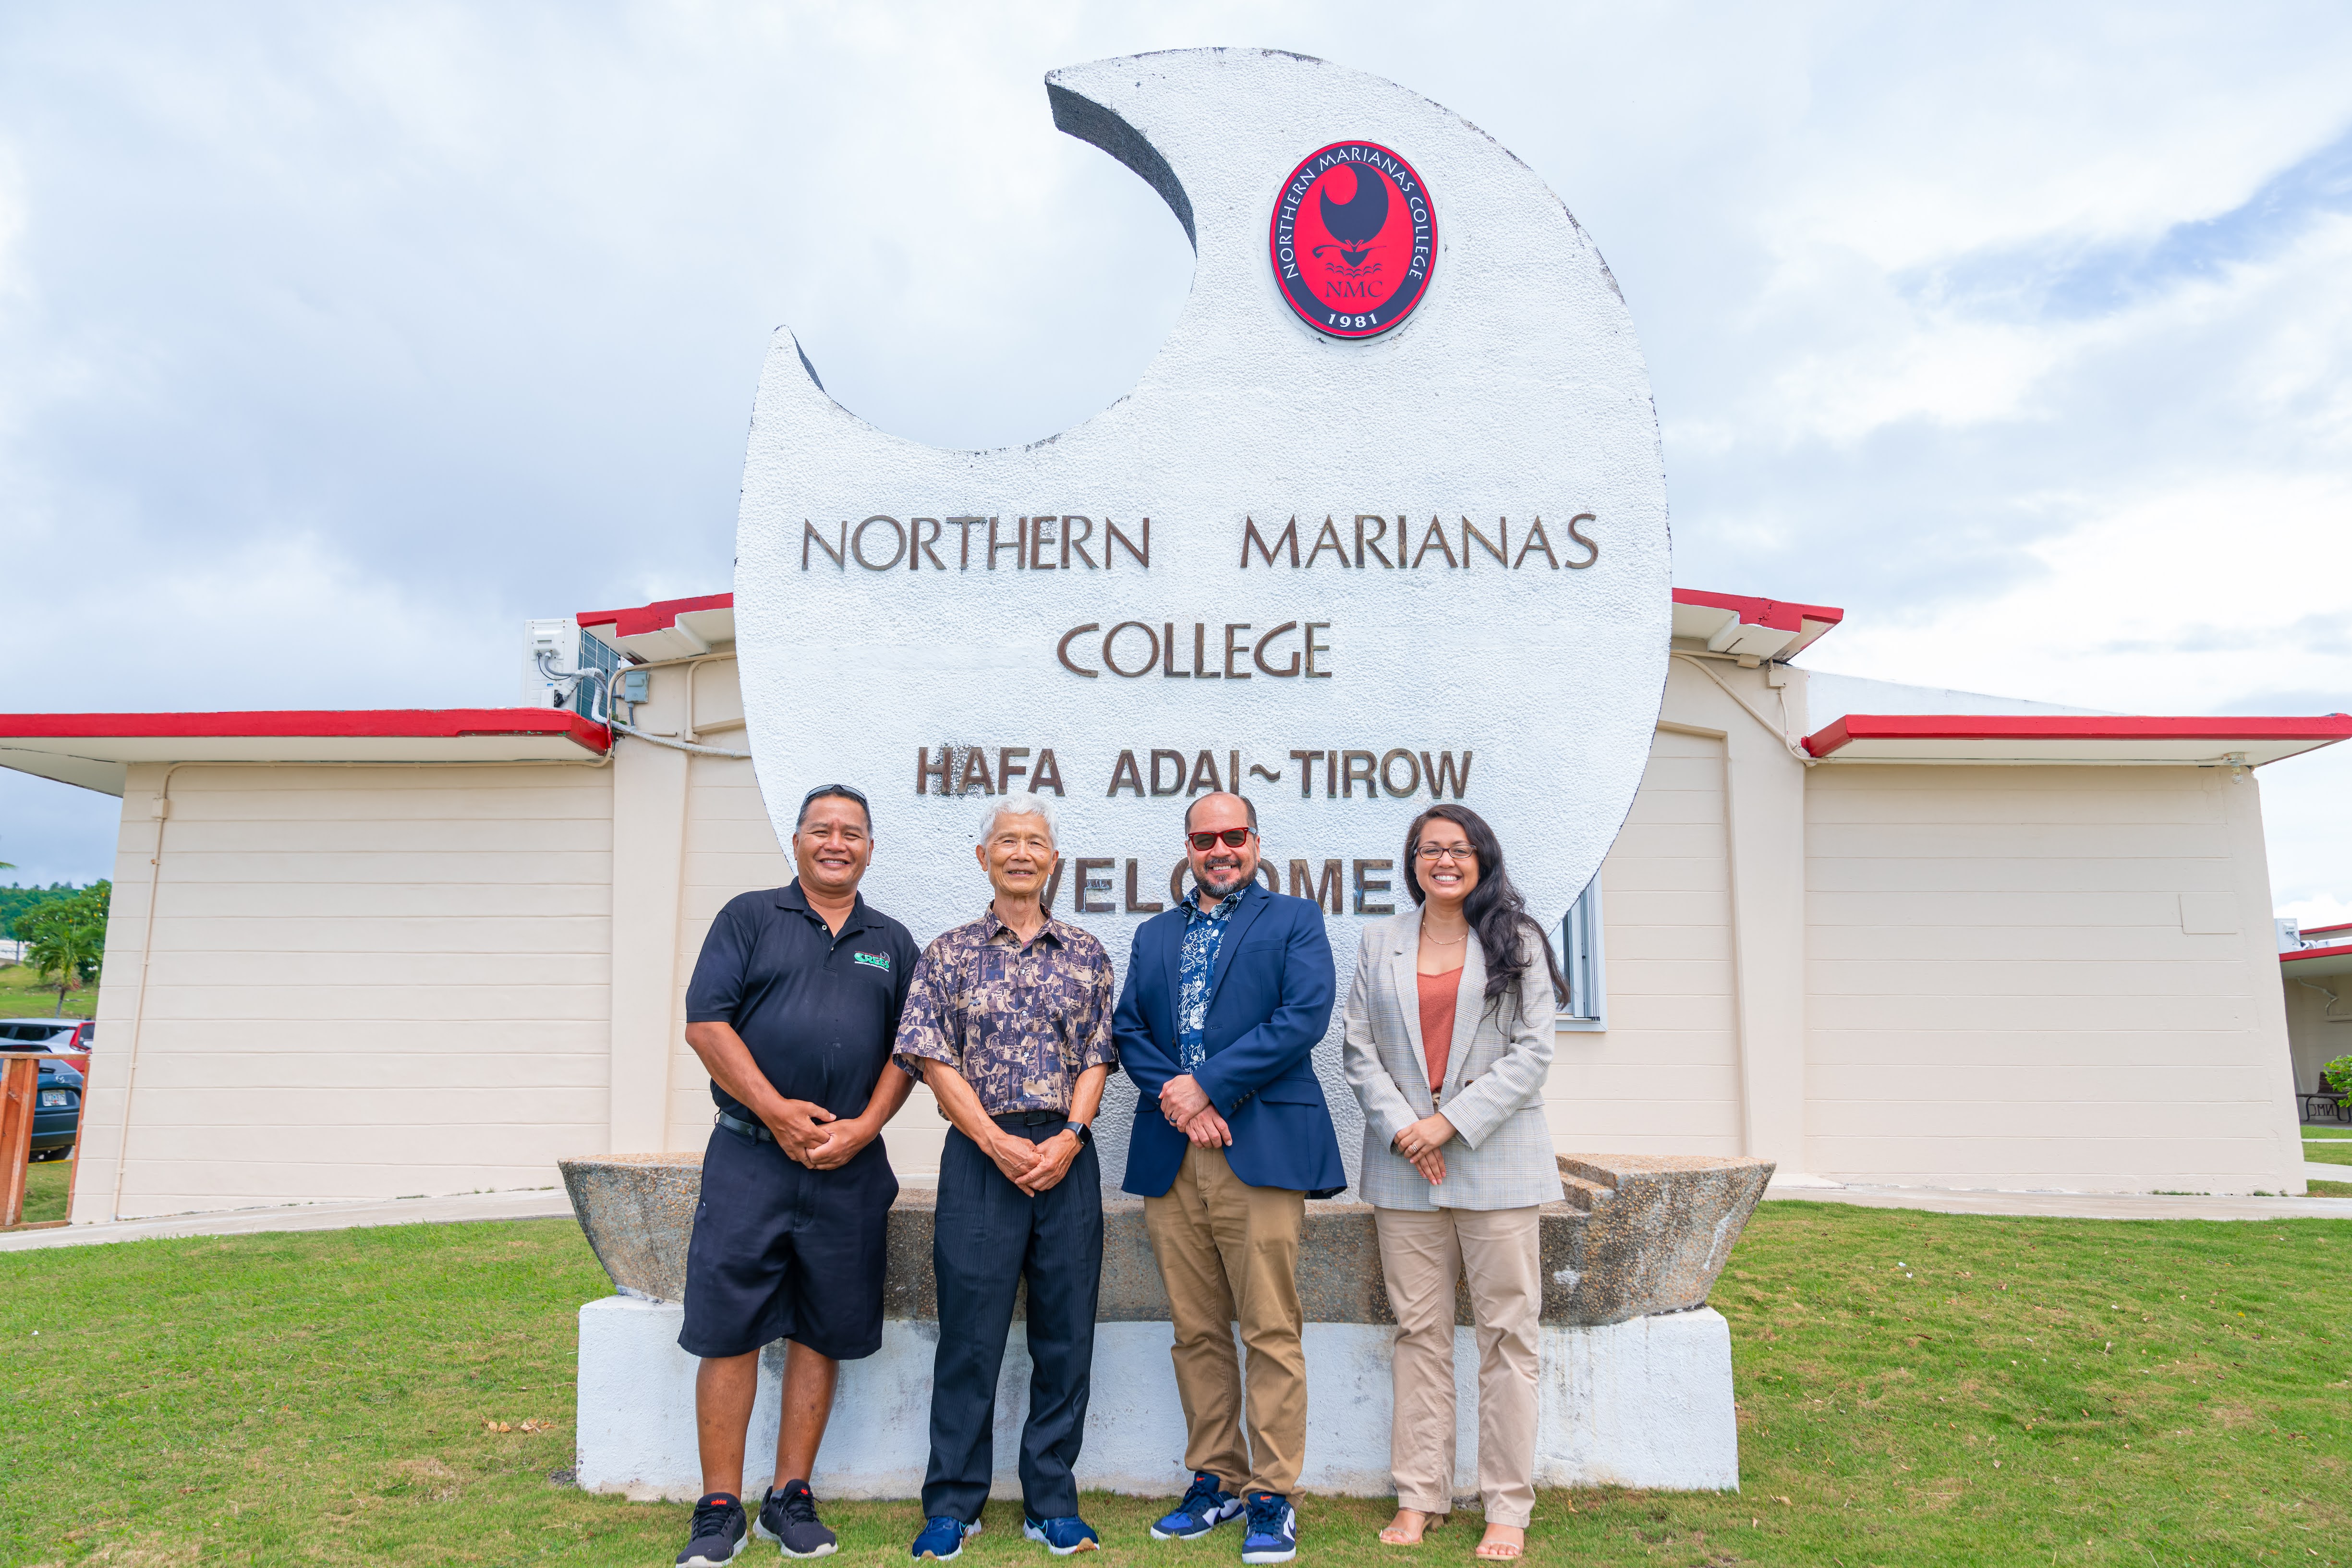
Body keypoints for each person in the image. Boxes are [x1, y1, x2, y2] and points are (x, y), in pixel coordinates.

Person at [670, 784, 921, 1568]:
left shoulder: (892, 939)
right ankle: (718, 1507)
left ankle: (790, 1495)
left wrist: (866, 1127)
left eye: (852, 832)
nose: (836, 842)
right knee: (729, 1324)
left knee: (823, 1325)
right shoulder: (749, 917)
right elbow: (706, 1024)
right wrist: (777, 1109)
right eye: (822, 830)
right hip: (750, 1154)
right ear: (798, 840)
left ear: (870, 848)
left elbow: (907, 1052)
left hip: (848, 1165)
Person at [1114, 791, 1342, 1567]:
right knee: (1196, 1328)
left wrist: (1208, 1085)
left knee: (1270, 1327)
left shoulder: (1293, 921)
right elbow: (1129, 1031)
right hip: (1174, 1154)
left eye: (1234, 835)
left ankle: (1272, 1494)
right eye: (1205, 837)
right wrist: (1182, 1103)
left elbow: (1302, 1017)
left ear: (1254, 840)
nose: (1221, 849)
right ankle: (1215, 1476)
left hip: (1261, 1147)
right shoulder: (1153, 934)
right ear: (1187, 846)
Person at [892, 792, 1117, 1561]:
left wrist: (1070, 1137)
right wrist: (991, 1139)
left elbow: (1097, 1053)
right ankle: (953, 1502)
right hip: (980, 1155)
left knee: (1065, 1336)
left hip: (1066, 1154)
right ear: (982, 856)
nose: (1022, 852)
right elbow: (931, 1057)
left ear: (1054, 859)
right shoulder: (947, 952)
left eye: (1036, 841)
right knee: (970, 1338)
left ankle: (1051, 1499)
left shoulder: (1085, 951)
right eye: (1007, 841)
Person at [1339, 804, 1562, 1562]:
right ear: (1412, 861)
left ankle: (1506, 1505)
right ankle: (1419, 1494)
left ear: (1481, 858)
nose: (1443, 860)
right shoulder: (1380, 941)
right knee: (1419, 1333)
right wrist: (1408, 1126)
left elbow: (1532, 1052)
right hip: (1404, 1170)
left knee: (1507, 1335)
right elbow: (1357, 1048)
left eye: (1457, 849)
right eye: (1429, 849)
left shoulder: (1517, 938)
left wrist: (1448, 1123)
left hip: (1494, 1162)